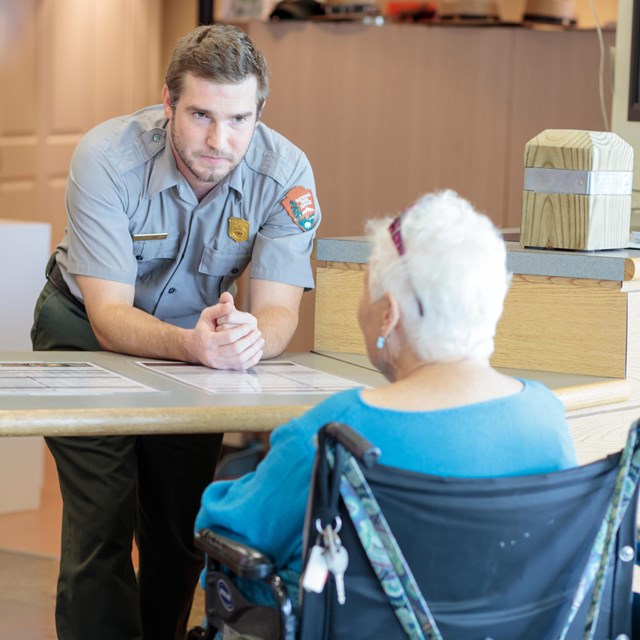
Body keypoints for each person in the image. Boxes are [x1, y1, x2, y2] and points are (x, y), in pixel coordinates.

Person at [30, 24, 320, 640]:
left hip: (200, 349)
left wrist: (248, 339)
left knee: (178, 526)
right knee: (101, 522)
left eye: (239, 118)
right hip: (83, 331)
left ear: (260, 112)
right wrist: (195, 345)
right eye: (200, 115)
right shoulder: (107, 156)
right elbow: (110, 320)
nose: (220, 140)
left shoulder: (286, 173)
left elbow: (280, 314)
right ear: (167, 103)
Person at [195, 189, 577, 620]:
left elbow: (225, 535)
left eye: (366, 289)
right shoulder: (546, 417)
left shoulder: (337, 433)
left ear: (388, 314)